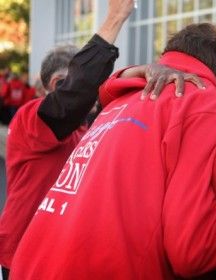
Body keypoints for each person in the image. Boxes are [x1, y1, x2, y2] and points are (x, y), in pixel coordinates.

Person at [11, 21, 216, 279]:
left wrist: (126, 75)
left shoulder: (131, 93)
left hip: (32, 263)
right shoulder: (203, 104)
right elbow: (196, 247)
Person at [0, 0, 135, 278]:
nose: (91, 96)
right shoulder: (30, 120)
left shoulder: (83, 129)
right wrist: (115, 19)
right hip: (23, 253)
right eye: (66, 84)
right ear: (52, 86)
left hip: (62, 253)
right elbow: (71, 100)